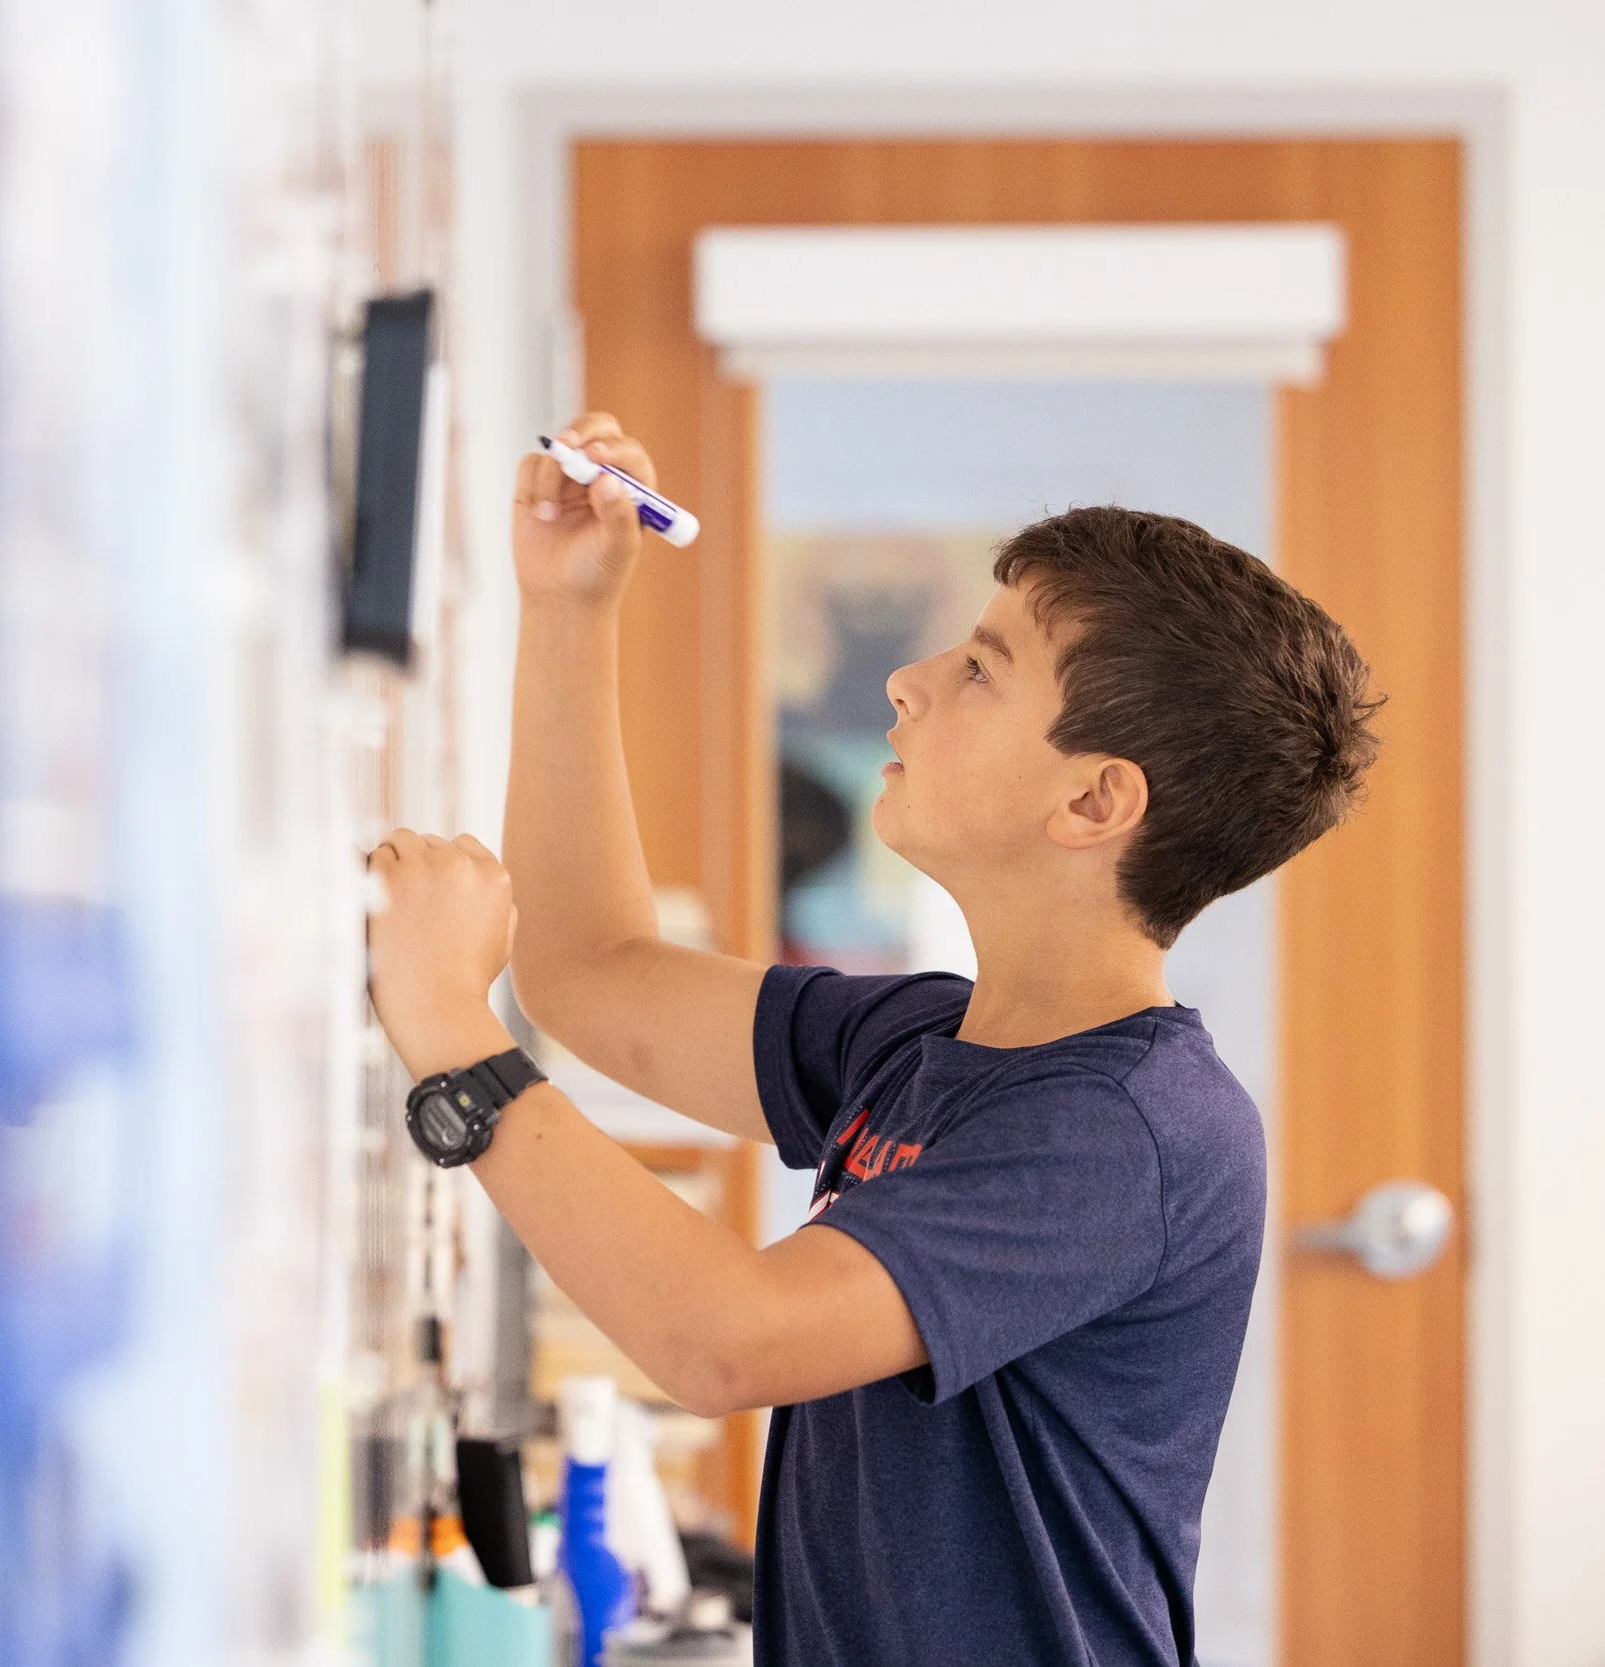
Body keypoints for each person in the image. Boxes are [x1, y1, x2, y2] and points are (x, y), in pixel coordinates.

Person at [364, 413, 1383, 1666]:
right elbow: (592, 973)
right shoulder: (917, 1039)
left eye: (980, 670)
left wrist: (453, 1039)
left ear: (1092, 799)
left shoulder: (1132, 1128)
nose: (908, 680)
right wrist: (573, 611)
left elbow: (728, 1338)